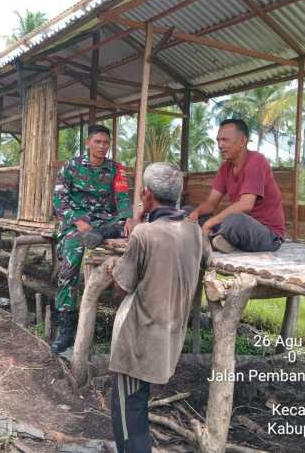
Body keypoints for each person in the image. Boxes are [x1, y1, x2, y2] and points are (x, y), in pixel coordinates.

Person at [109, 162, 211, 453]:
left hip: (139, 337)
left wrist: (137, 220)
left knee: (129, 415)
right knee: (138, 404)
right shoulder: (194, 231)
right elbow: (207, 258)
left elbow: (121, 286)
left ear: (146, 193)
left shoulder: (144, 234)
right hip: (169, 335)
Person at [51, 124, 132, 353]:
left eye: (106, 143)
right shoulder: (72, 166)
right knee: (72, 258)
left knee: (126, 230)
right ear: (88, 143)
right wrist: (78, 221)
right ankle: (65, 328)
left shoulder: (116, 169)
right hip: (78, 221)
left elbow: (123, 197)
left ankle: (101, 234)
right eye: (97, 142)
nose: (102, 147)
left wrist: (127, 218)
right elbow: (59, 200)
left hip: (104, 221)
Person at [189, 118, 285, 253]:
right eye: (218, 140)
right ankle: (219, 241)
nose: (220, 145)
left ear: (242, 141)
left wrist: (210, 223)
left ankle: (210, 240)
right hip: (239, 230)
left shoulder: (256, 161)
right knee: (188, 212)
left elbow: (246, 205)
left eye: (225, 140)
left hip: (268, 235)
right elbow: (211, 203)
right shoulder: (225, 168)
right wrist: (196, 213)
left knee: (235, 220)